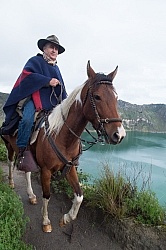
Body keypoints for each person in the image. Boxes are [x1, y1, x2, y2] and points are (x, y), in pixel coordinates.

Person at [2, 35, 67, 170]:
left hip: (52, 103)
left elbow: (62, 88)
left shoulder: (56, 68)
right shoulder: (35, 61)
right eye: (51, 47)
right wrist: (47, 81)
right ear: (44, 48)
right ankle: (22, 150)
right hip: (34, 99)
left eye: (56, 49)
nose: (54, 51)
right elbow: (27, 76)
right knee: (27, 120)